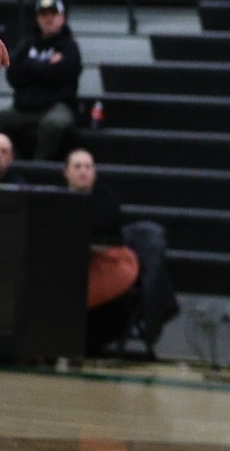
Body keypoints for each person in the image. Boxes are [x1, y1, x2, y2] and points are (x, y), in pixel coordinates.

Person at [64, 148, 176, 352]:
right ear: (66, 172)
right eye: (77, 166)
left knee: (75, 289)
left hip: (108, 262)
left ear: (94, 172)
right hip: (73, 262)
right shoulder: (57, 199)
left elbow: (100, 230)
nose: (83, 171)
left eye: (88, 167)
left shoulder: (105, 197)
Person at [0, 0, 81, 160]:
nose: (48, 19)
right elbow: (13, 75)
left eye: (53, 14)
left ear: (62, 17)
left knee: (53, 124)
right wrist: (47, 66)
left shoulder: (70, 46)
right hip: (24, 108)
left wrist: (31, 65)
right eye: (43, 14)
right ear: (37, 18)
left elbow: (64, 75)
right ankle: (11, 162)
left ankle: (38, 167)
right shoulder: (27, 43)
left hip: (56, 106)